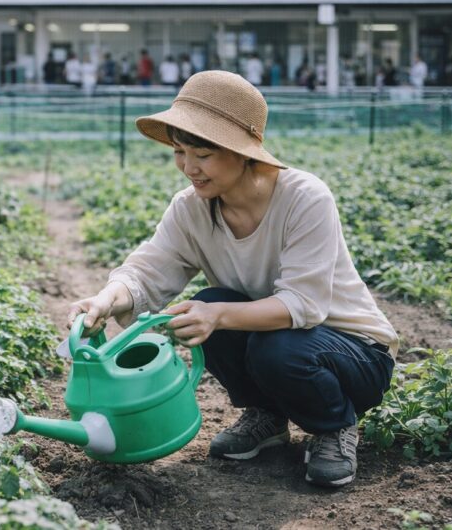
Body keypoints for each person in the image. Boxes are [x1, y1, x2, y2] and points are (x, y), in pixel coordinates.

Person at [68, 71, 397, 488]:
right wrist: (105, 300)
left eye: (202, 154)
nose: (188, 167)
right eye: (179, 152)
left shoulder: (304, 198)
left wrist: (218, 315)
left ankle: (334, 427)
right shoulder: (191, 209)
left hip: (355, 355)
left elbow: (304, 306)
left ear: (242, 152)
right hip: (279, 344)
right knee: (210, 302)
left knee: (257, 334)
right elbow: (146, 271)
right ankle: (267, 417)